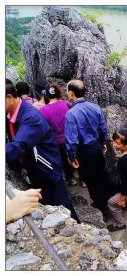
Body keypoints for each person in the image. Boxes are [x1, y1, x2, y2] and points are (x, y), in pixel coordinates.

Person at [6, 83, 80, 223]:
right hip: (46, 160)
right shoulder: (64, 105)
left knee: (62, 207)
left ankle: (78, 231)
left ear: (9, 97)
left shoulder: (32, 116)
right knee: (53, 206)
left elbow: (18, 145)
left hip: (47, 170)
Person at [64, 79, 111, 212]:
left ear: (72, 94)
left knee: (91, 178)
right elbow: (103, 129)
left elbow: (71, 140)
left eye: (67, 91)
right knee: (101, 172)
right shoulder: (95, 107)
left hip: (83, 151)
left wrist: (72, 157)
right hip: (96, 146)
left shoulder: (71, 114)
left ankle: (101, 205)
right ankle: (109, 199)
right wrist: (103, 144)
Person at [39, 83, 77, 186]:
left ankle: (70, 178)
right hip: (71, 136)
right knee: (76, 156)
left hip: (57, 140)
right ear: (58, 93)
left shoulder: (43, 111)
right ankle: (82, 178)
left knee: (63, 159)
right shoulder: (66, 104)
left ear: (46, 95)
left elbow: (45, 128)